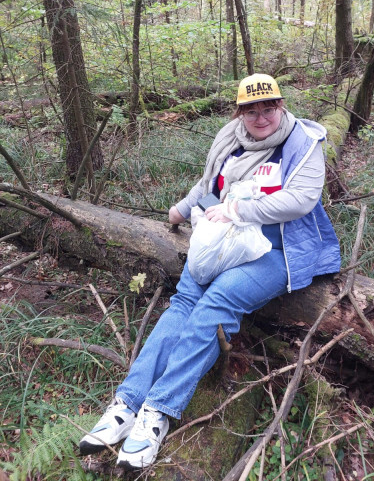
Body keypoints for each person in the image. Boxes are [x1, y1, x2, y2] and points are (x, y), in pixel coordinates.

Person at [79, 73, 341, 470]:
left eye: (268, 106)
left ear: (280, 105)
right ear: (239, 112)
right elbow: (209, 183)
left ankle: (158, 412)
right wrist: (183, 209)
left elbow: (300, 200)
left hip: (275, 250)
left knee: (216, 301)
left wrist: (237, 210)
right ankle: (126, 404)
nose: (261, 116)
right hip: (221, 242)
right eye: (250, 109)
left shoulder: (302, 142)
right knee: (184, 300)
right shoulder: (230, 138)